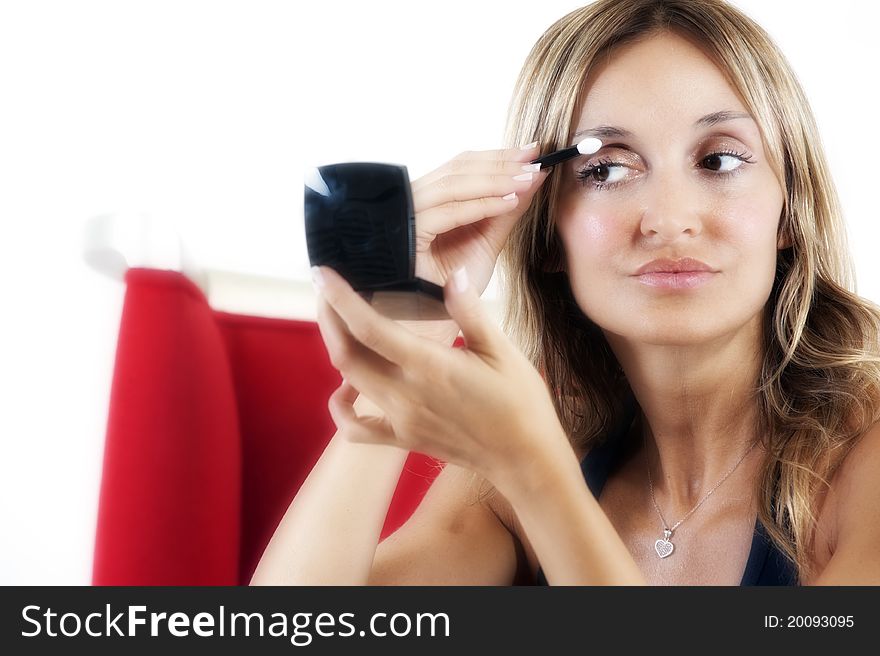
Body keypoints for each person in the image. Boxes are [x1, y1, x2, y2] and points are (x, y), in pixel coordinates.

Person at [250, 0, 880, 586]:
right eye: (604, 169)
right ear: (547, 230)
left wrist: (536, 474)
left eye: (718, 160)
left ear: (791, 212)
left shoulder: (864, 460)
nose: (668, 218)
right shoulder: (542, 450)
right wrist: (407, 335)